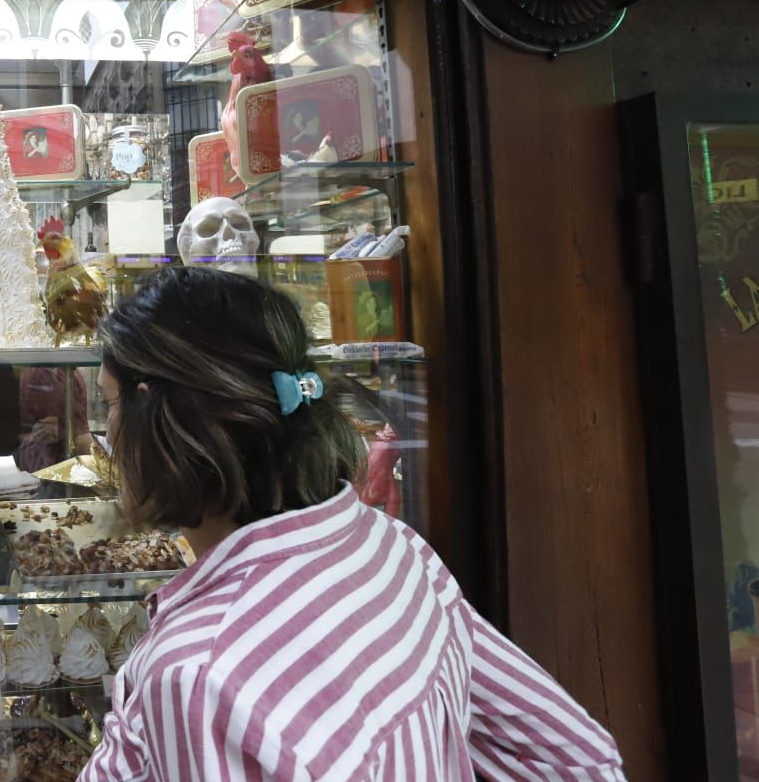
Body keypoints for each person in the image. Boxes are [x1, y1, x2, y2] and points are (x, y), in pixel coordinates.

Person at [79, 267, 624, 782]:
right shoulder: (394, 550)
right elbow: (578, 761)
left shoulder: (201, 671)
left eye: (108, 404)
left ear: (155, 416)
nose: (107, 435)